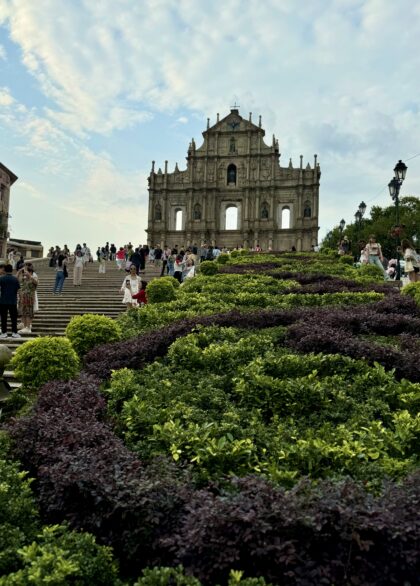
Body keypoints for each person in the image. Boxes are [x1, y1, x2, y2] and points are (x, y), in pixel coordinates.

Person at [0, 264, 21, 338]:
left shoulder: (1, 279)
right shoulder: (15, 279)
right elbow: (18, 289)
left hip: (3, 301)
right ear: (12, 270)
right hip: (13, 301)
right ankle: (14, 332)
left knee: (3, 318)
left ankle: (4, 332)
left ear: (5, 270)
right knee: (14, 318)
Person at [17, 266, 37, 334]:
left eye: (27, 271)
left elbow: (36, 283)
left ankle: (28, 327)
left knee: (28, 313)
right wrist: (19, 272)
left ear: (30, 272)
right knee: (24, 313)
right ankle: (25, 327)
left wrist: (29, 276)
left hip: (29, 299)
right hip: (23, 299)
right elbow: (16, 280)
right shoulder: (24, 279)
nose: (25, 273)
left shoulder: (33, 279)